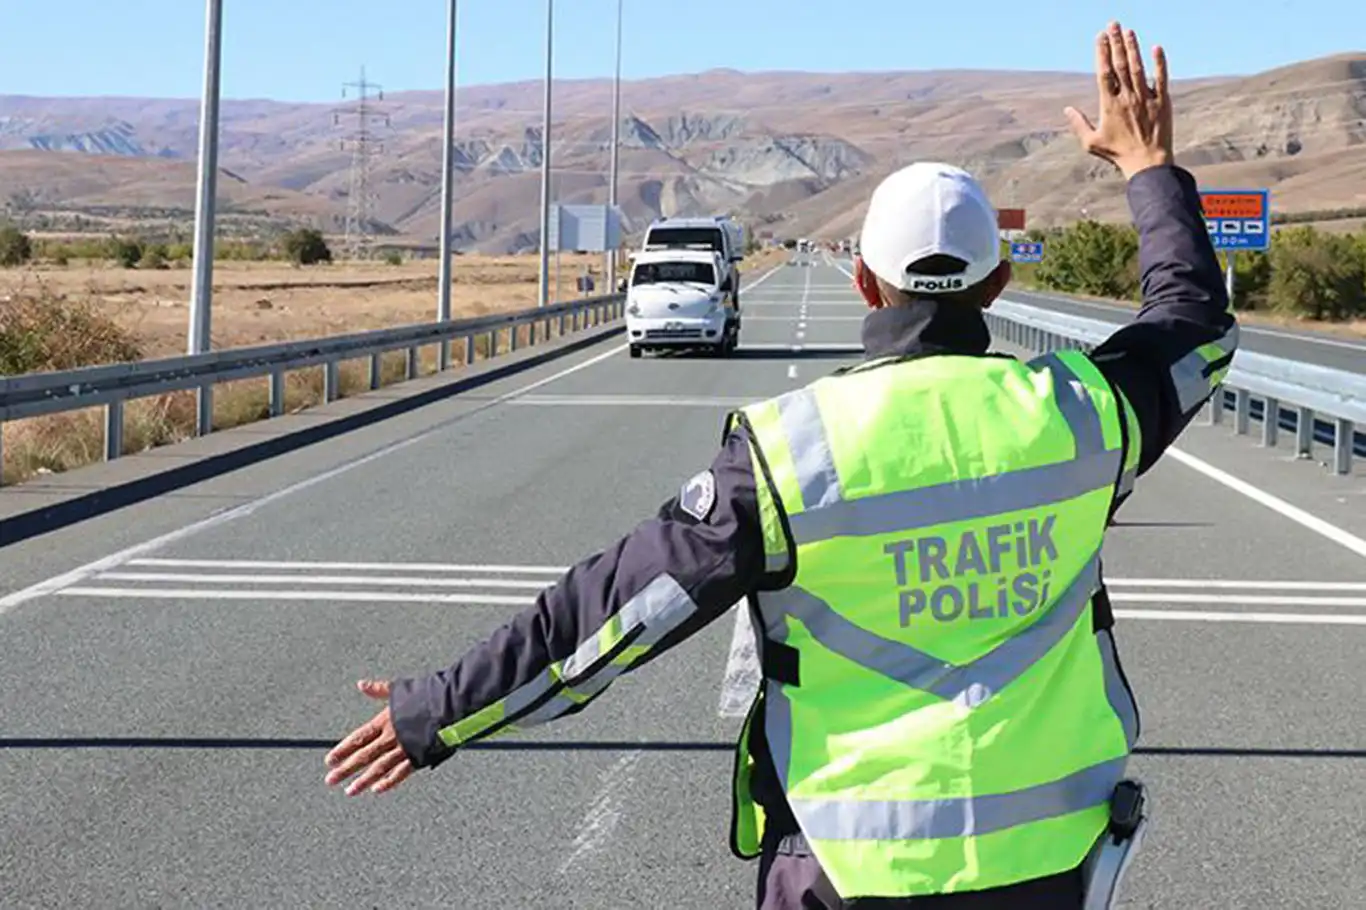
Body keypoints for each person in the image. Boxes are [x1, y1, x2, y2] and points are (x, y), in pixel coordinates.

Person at [324, 21, 1236, 909]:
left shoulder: (791, 455)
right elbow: (1192, 320)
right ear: (997, 287)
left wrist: (437, 712)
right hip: (1054, 861)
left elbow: (606, 616)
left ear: (864, 284)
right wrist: (1148, 168)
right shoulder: (1084, 414)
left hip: (848, 869)